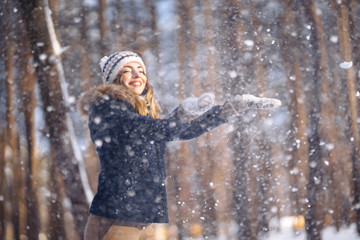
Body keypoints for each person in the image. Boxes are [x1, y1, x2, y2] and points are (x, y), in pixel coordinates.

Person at [78, 51, 281, 240]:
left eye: (140, 70)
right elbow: (162, 129)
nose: (136, 75)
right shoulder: (109, 111)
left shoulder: (139, 114)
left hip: (140, 219)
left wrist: (229, 109)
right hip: (116, 218)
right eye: (127, 71)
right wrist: (183, 113)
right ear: (114, 79)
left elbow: (182, 131)